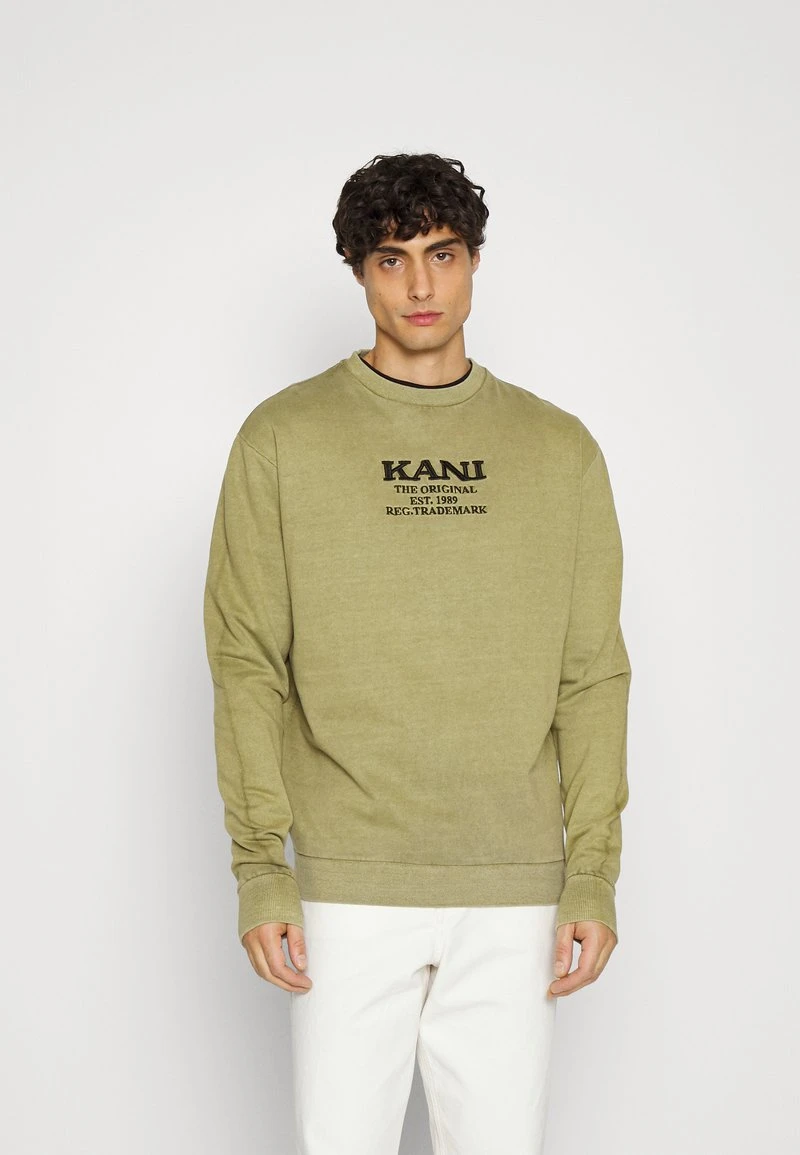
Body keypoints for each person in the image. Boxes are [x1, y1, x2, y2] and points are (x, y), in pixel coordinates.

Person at [203, 151, 632, 1154]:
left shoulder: (558, 450)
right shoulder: (283, 439)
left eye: (441, 254)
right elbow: (246, 662)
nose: (420, 286)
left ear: (474, 260)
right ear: (359, 272)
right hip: (344, 887)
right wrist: (260, 869)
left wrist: (592, 873)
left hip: (512, 889)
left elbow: (591, 676)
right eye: (391, 260)